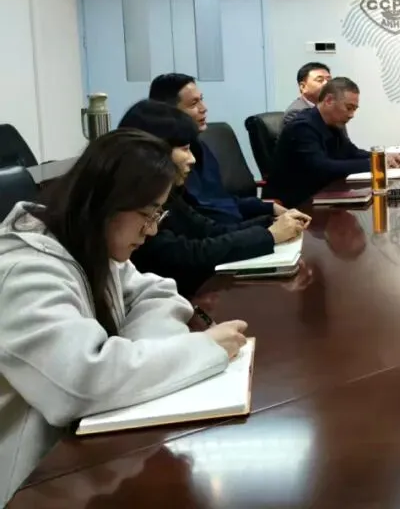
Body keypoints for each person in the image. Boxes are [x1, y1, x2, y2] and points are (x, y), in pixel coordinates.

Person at [0, 129, 249, 504]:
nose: (152, 230)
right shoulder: (24, 271)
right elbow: (81, 384)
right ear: (105, 202)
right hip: (28, 479)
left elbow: (158, 291)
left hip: (83, 453)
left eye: (158, 214)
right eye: (147, 215)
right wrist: (203, 349)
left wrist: (134, 358)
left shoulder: (88, 243)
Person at [120, 101, 308, 298]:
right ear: (153, 151)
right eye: (184, 149)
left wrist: (271, 223)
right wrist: (269, 235)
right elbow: (188, 255)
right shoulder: (135, 203)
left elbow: (209, 230)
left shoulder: (170, 195)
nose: (192, 159)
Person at [149, 73, 286, 225]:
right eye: (194, 104)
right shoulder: (167, 162)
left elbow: (222, 201)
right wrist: (266, 227)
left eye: (201, 99)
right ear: (169, 111)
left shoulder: (199, 146)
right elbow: (206, 222)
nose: (204, 108)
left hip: (235, 228)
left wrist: (270, 208)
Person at [264, 77, 400, 207]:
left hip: (322, 195)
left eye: (354, 109)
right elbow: (322, 168)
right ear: (329, 100)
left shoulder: (332, 124)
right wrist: (376, 164)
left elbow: (352, 152)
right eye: (348, 108)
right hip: (296, 204)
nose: (352, 115)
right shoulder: (302, 126)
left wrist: (381, 157)